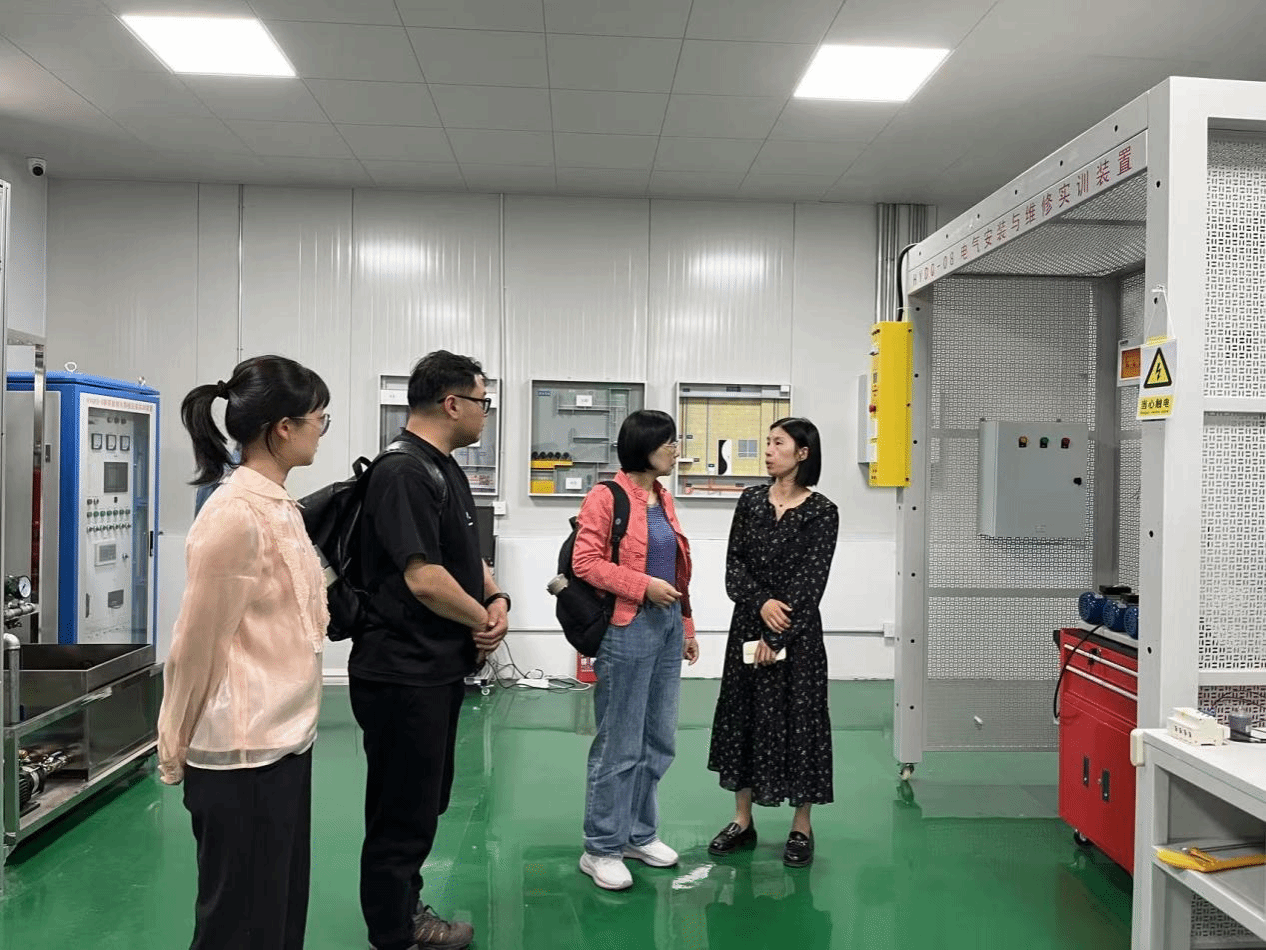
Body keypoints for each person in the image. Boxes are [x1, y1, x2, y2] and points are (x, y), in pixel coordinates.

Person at [157, 355, 331, 950]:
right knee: (239, 926)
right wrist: (173, 743)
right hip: (242, 754)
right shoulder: (233, 515)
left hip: (285, 740)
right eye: (319, 419)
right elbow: (195, 644)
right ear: (283, 428)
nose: (321, 431)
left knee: (278, 912)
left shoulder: (278, 504)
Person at [349, 350, 510, 950]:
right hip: (402, 673)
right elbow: (424, 579)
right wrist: (482, 622)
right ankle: (396, 930)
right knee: (401, 811)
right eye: (483, 402)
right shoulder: (403, 472)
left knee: (423, 802)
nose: (486, 413)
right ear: (451, 403)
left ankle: (404, 908)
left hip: (434, 671)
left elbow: (466, 559)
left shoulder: (445, 469)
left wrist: (496, 597)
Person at [572, 409, 700, 891]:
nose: (675, 450)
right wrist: (642, 586)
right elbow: (585, 562)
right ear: (644, 447)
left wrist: (686, 625)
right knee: (620, 741)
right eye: (668, 442)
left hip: (666, 625)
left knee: (658, 738)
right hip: (627, 626)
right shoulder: (606, 496)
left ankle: (638, 835)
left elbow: (678, 569)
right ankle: (601, 847)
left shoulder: (663, 497)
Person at [706, 417, 839, 869]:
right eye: (767, 442)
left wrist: (776, 635)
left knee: (800, 723)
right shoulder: (749, 501)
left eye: (778, 443)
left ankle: (801, 826)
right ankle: (742, 820)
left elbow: (811, 581)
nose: (768, 451)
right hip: (747, 625)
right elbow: (734, 567)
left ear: (803, 453)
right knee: (743, 717)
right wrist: (761, 604)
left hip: (797, 636)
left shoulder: (822, 512)